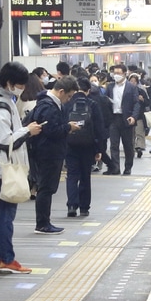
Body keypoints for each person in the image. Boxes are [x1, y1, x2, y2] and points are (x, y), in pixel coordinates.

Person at [0, 61, 43, 274]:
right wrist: (28, 130)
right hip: (6, 166)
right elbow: (5, 139)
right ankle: (7, 259)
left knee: (5, 213)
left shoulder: (6, 101)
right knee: (7, 214)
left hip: (8, 165)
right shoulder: (0, 107)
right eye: (19, 84)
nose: (22, 89)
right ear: (9, 83)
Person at [28, 76, 80, 234]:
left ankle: (44, 222)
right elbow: (51, 130)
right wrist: (68, 127)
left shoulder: (50, 103)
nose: (69, 100)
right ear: (61, 91)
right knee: (46, 188)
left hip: (51, 151)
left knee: (48, 188)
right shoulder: (48, 106)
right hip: (48, 152)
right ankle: (42, 223)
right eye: (69, 96)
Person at [64, 77, 107, 218]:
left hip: (70, 144)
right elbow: (99, 129)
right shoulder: (92, 104)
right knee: (85, 176)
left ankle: (71, 205)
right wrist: (99, 149)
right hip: (88, 146)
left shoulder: (68, 104)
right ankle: (84, 208)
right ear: (88, 91)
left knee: (71, 175)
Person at [105, 63, 140, 175]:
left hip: (126, 119)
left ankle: (128, 167)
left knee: (128, 145)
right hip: (113, 118)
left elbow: (136, 104)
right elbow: (105, 102)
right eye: (114, 73)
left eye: (119, 73)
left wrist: (134, 117)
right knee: (114, 145)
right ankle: (115, 167)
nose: (116, 75)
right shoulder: (110, 87)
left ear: (125, 74)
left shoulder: (131, 87)